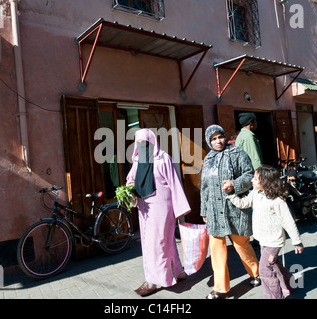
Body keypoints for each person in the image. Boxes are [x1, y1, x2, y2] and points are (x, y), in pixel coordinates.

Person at [126, 128, 191, 297]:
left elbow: (174, 182)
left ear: (152, 143)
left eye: (145, 143)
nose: (142, 147)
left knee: (159, 244)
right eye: (138, 143)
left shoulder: (163, 159)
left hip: (162, 208)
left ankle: (154, 280)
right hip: (144, 209)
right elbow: (131, 179)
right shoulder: (138, 161)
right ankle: (178, 271)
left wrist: (180, 209)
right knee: (156, 243)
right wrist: (127, 190)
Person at [200, 124, 260, 299]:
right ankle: (220, 288)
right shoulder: (208, 159)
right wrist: (204, 210)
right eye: (213, 138)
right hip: (213, 211)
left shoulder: (238, 153)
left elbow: (250, 175)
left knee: (241, 245)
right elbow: (204, 188)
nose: (218, 141)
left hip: (235, 208)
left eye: (220, 137)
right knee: (217, 250)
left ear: (225, 137)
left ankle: (255, 273)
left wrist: (235, 184)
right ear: (208, 141)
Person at [228, 165, 304, 299]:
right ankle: (289, 282)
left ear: (265, 182)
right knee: (274, 265)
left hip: (274, 242)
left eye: (256, 179)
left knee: (265, 269)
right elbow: (244, 203)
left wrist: (297, 241)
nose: (252, 180)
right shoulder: (256, 193)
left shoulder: (277, 201)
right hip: (262, 239)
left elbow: (288, 222)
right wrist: (232, 196)